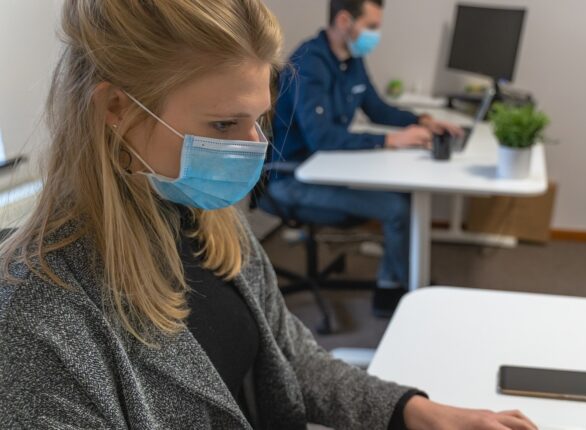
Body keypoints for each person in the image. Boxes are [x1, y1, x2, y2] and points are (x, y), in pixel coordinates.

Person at [0, 1, 538, 429]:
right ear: (115, 109)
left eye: (259, 119)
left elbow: (291, 359)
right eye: (223, 126)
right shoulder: (35, 321)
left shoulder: (206, 217)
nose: (254, 149)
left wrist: (413, 412)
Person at [266, 0, 463, 317]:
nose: (376, 34)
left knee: (403, 195)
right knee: (397, 207)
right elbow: (323, 138)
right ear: (345, 20)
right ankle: (395, 292)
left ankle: (394, 282)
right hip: (290, 177)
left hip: (324, 169)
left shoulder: (350, 58)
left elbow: (377, 108)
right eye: (371, 27)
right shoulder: (310, 63)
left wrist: (422, 121)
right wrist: (390, 140)